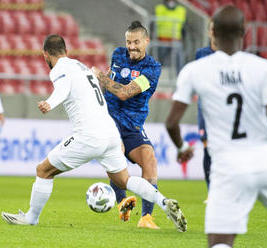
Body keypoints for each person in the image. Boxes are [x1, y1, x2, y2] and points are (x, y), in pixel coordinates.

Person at [166, 5, 267, 248]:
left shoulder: (195, 70)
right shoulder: (262, 68)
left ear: (213, 31)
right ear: (244, 32)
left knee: (220, 242)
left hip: (227, 168)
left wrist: (181, 148)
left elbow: (171, 122)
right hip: (265, 164)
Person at [1, 34, 187, 233]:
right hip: (110, 132)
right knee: (123, 180)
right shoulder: (80, 66)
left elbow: (63, 89)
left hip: (88, 135)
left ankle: (31, 218)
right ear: (66, 51)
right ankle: (163, 201)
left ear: (45, 54)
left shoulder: (60, 69)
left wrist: (49, 103)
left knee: (43, 170)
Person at [92, 21, 163, 230]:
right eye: (129, 41)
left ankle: (146, 218)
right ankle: (122, 201)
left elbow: (124, 93)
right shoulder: (118, 54)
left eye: (136, 42)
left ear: (146, 41)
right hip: (110, 119)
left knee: (149, 158)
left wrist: (100, 77)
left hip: (133, 124)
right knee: (116, 151)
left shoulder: (152, 68)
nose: (131, 46)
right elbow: (109, 82)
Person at [195, 20, 216, 201]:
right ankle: (212, 192)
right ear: (209, 32)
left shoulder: (231, 56)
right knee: (207, 149)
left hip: (224, 110)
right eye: (212, 29)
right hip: (205, 108)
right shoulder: (201, 54)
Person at [154, 0, 186, 74]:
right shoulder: (160, 8)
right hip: (162, 40)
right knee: (159, 61)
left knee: (179, 60)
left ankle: (180, 76)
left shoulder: (181, 10)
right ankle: (153, 77)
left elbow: (183, 25)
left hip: (176, 40)